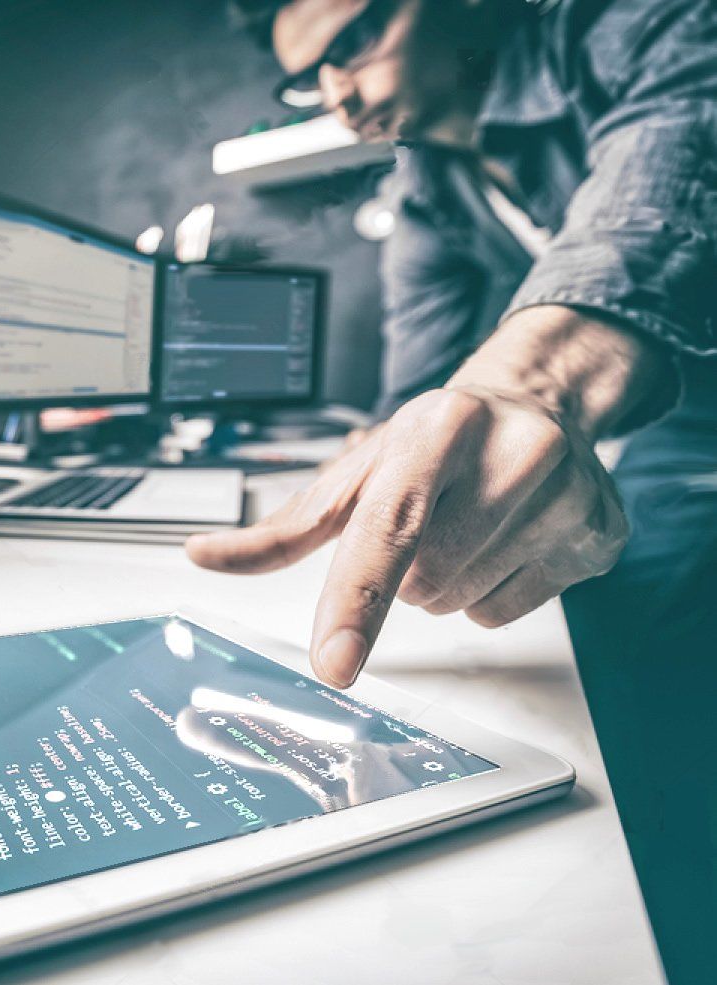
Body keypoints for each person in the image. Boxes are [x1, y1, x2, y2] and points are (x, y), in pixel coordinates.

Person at [194, 2, 717, 980]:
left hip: (692, 424)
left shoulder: (625, 24)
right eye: (311, 78)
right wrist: (375, 457)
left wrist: (529, 381)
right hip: (660, 429)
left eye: (351, 44)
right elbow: (413, 388)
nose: (338, 90)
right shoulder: (433, 182)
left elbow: (679, 147)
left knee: (637, 600)